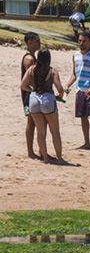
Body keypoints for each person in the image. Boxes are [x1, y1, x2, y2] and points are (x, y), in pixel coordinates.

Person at [20, 48, 66, 164]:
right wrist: (58, 96)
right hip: (48, 99)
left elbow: (22, 85)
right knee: (55, 131)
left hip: (34, 98)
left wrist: (32, 91)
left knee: (41, 132)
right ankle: (59, 158)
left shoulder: (32, 69)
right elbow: (60, 89)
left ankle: (45, 157)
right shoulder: (52, 71)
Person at [65, 31, 90, 152]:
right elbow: (74, 74)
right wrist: (67, 85)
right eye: (80, 41)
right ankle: (86, 142)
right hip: (79, 90)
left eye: (84, 41)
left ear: (89, 42)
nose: (81, 43)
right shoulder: (75, 55)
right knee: (83, 117)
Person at [21, 32, 40, 160]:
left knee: (35, 122)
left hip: (30, 93)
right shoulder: (29, 59)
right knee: (31, 121)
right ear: (29, 43)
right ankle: (30, 152)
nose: (39, 43)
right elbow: (29, 78)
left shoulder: (32, 57)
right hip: (28, 94)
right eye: (37, 41)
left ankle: (35, 151)